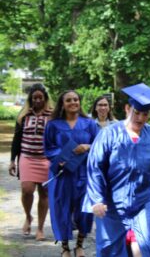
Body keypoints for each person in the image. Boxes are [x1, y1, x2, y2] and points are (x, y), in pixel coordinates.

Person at [83, 83, 150, 257]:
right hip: (112, 201)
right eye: (136, 112)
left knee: (144, 247)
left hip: (147, 199)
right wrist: (97, 199)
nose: (141, 118)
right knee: (110, 249)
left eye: (145, 114)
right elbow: (95, 167)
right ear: (127, 109)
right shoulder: (109, 134)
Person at [44, 90, 98, 257]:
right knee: (62, 209)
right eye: (69, 100)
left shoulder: (89, 124)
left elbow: (99, 145)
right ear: (62, 104)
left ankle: (80, 244)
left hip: (84, 173)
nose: (73, 102)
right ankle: (65, 247)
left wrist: (87, 147)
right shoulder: (53, 125)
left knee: (85, 211)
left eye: (76, 99)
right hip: (62, 174)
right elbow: (48, 148)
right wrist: (64, 154)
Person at [8, 83, 52, 241]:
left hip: (46, 159)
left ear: (45, 98)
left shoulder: (52, 115)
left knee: (44, 193)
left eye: (40, 97)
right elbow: (16, 140)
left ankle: (40, 228)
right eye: (35, 98)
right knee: (27, 189)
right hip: (27, 157)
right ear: (30, 99)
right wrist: (12, 160)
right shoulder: (23, 116)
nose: (38, 100)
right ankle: (28, 216)